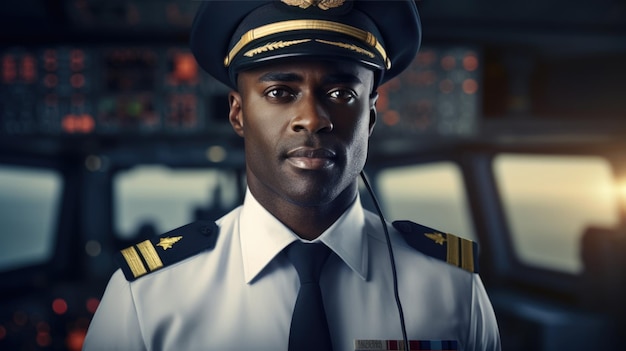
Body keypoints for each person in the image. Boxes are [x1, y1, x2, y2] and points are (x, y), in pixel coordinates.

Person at [83, 1, 501, 350]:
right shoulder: (148, 295)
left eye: (341, 94)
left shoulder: (452, 289)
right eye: (280, 93)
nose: (311, 119)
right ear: (237, 113)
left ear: (370, 116)